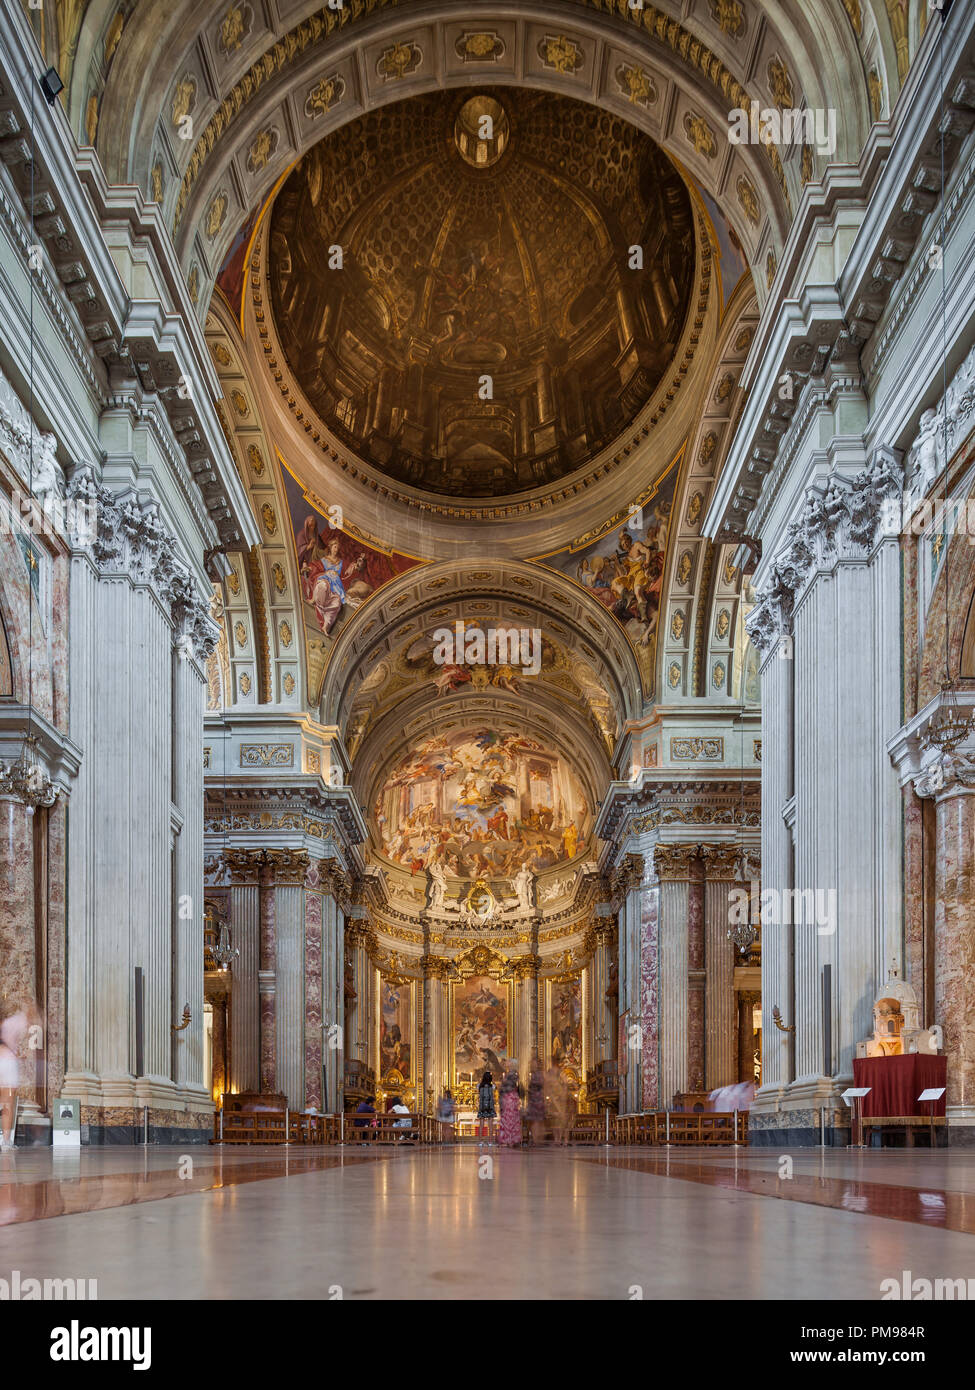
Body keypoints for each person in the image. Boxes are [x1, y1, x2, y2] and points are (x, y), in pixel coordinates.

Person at [0, 1001, 31, 1153]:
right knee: (7, 1104)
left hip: (6, 1059)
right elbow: (31, 1017)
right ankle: (5, 1142)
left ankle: (6, 1141)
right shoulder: (12, 1021)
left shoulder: (9, 1022)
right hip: (7, 1061)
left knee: (7, 1104)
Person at [499, 1067, 524, 1147]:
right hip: (512, 1103)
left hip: (508, 1103)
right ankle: (512, 1140)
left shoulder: (506, 1083)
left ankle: (507, 1140)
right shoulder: (514, 1089)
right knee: (513, 1121)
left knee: (508, 1122)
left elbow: (501, 1092)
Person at [526, 1064, 546, 1146]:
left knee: (536, 1121)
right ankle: (536, 1139)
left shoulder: (538, 1075)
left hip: (537, 1099)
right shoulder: (536, 1075)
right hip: (535, 1099)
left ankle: (536, 1139)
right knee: (535, 1121)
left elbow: (539, 1086)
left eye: (533, 1064)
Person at [476, 1070, 496, 1143]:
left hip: (482, 1107)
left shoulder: (479, 1086)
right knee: (490, 1125)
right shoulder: (492, 1086)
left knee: (481, 1125)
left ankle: (480, 1141)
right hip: (490, 1107)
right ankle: (490, 1142)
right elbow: (494, 1086)